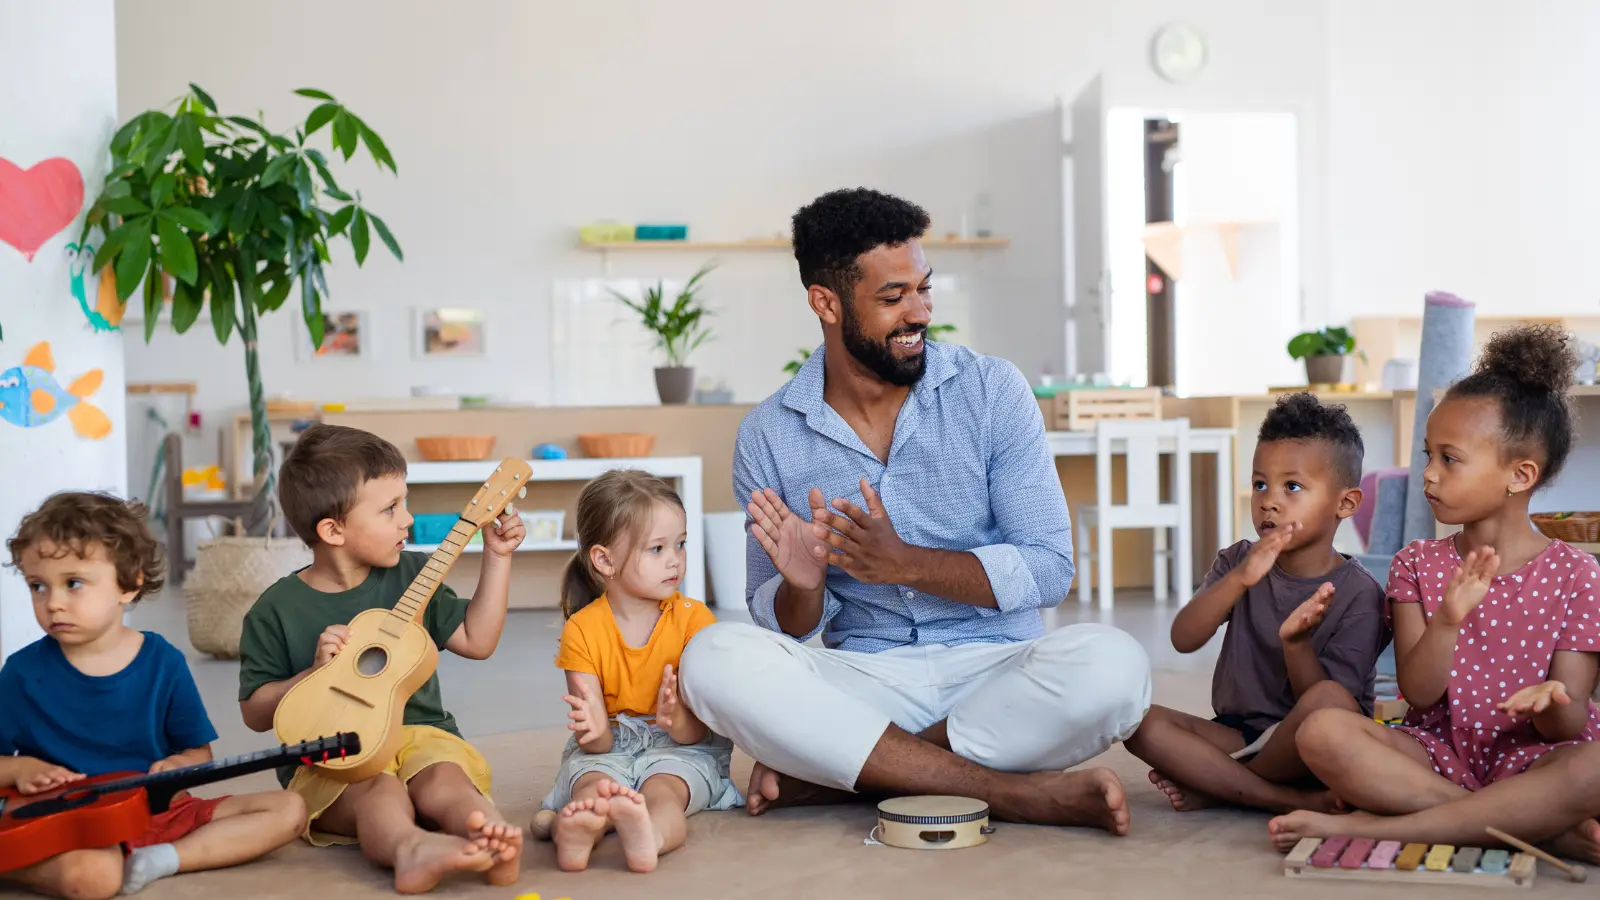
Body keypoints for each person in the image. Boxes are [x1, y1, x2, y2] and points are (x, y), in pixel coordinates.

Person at [677, 187, 1152, 834]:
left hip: (994, 669)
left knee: (1115, 667)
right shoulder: (768, 434)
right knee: (711, 658)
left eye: (925, 289)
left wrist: (905, 565)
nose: (920, 312)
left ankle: (864, 771)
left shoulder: (991, 391)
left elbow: (1049, 570)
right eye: (893, 297)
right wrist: (803, 588)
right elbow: (783, 629)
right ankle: (1015, 794)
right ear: (825, 302)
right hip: (865, 676)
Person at [1267, 325, 1600, 864]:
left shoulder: (1578, 575)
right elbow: (1419, 694)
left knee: (1594, 767)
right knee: (1322, 731)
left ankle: (1384, 827)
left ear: (1520, 475)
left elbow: (1568, 723)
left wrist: (1552, 702)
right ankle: (1533, 828)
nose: (1428, 475)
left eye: (1450, 459)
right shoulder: (1417, 563)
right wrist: (1447, 619)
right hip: (1435, 754)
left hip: (1539, 758)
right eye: (1428, 455)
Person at [237, 424, 526, 893]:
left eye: (404, 502)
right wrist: (312, 674)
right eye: (390, 508)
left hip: (422, 735)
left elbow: (477, 639)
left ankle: (486, 833)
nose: (407, 520)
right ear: (333, 530)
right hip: (332, 755)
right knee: (380, 791)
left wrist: (497, 557)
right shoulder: (275, 610)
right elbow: (254, 713)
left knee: (442, 780)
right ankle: (410, 847)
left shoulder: (416, 575)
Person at [0, 492, 304, 899]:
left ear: (130, 583)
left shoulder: (164, 662)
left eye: (73, 583)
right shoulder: (21, 672)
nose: (53, 603)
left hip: (156, 812)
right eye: (38, 586)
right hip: (66, 825)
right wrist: (21, 770)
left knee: (290, 810)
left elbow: (199, 755)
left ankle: (162, 859)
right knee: (95, 877)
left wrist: (177, 765)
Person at [1124, 393, 1389, 813]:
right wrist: (1240, 580)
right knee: (1136, 721)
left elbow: (1330, 709)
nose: (1269, 500)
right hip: (1240, 735)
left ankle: (1219, 782)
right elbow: (1183, 638)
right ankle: (1276, 798)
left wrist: (1296, 644)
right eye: (1260, 483)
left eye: (1293, 486)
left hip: (1312, 746)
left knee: (1328, 703)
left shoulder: (1361, 593)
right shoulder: (1238, 561)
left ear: (1346, 503)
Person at [535, 470, 740, 873]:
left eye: (680, 545)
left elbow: (699, 732)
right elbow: (597, 745)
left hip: (682, 747)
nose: (675, 560)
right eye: (657, 549)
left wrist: (679, 719)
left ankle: (650, 835)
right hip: (611, 748)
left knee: (662, 793)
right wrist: (592, 732)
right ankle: (578, 831)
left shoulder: (694, 620)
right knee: (593, 787)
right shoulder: (581, 629)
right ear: (604, 560)